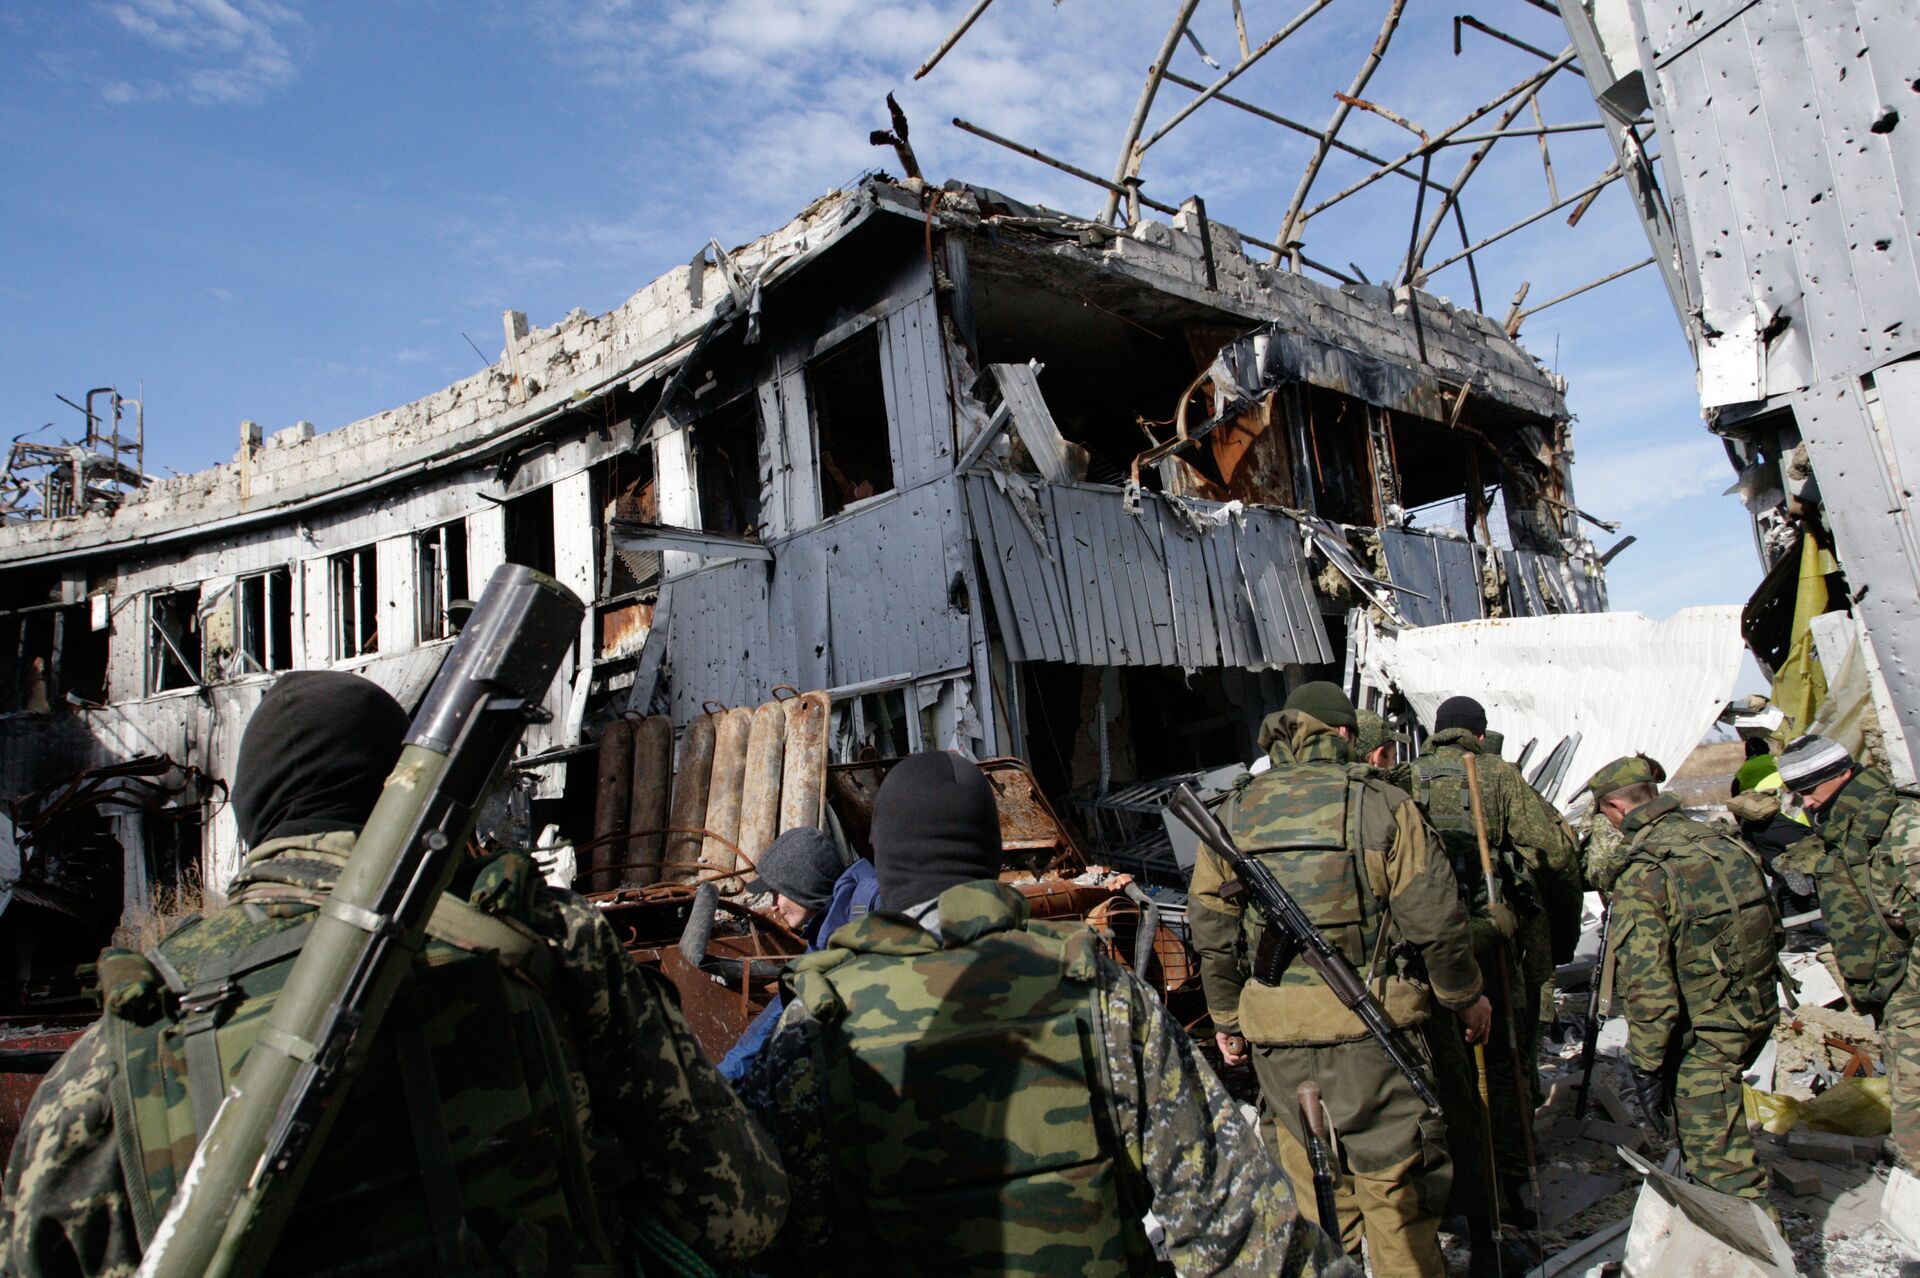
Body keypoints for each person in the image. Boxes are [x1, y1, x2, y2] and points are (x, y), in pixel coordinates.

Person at [0, 671, 789, 1276]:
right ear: (404, 792)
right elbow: (743, 1214)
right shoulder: (549, 947)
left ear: (251, 818)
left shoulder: (107, 1064)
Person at [739, 749, 1351, 1277]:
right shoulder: (1101, 997)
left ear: (887, 860)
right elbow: (1239, 1229)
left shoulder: (813, 1029)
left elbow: (761, 1235)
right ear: (989, 853)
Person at [1193, 682, 1489, 1278]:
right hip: (1372, 1034)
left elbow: (1212, 932)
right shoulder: (1383, 805)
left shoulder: (1234, 810)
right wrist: (1464, 998)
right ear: (1345, 735)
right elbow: (1435, 920)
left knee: (1318, 1193)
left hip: (1278, 1038)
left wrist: (1226, 1019)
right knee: (1396, 1195)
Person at [1392, 695, 1579, 1238]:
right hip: (1489, 934)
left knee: (1439, 1064)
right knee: (1501, 1056)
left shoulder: (1404, 778)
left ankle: (1453, 1185)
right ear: (1479, 734)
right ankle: (1512, 1180)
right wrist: (1554, 934)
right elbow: (1555, 853)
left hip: (1424, 942)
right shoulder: (1497, 776)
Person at [1588, 754, 1782, 1207]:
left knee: (1723, 1169)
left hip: (1706, 1037)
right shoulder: (1721, 843)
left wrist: (1646, 1065)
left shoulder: (1646, 874)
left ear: (1617, 809)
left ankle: (1754, 1256)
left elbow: (1651, 993)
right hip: (1752, 1010)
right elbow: (1773, 929)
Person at [1773, 735, 1920, 1166]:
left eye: (1809, 792)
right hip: (1893, 986)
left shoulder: (1901, 825)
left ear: (1837, 777)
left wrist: (1909, 991)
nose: (1808, 805)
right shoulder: (1848, 823)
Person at [718, 825, 879, 1079]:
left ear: (803, 885)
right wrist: (722, 1080)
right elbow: (777, 1014)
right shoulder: (826, 932)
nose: (772, 907)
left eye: (776, 893)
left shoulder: (870, 911)